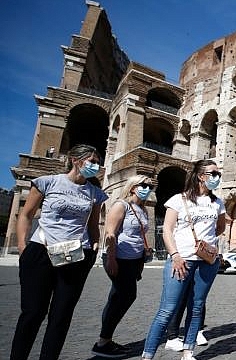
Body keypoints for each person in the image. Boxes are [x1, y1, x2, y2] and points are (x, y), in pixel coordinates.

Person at [11, 144, 108, 360]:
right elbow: (26, 215)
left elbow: (93, 225)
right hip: (40, 251)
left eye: (97, 162)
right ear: (75, 159)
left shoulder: (95, 193)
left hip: (75, 255)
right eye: (91, 161)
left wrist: (94, 246)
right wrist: (22, 247)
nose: (95, 165)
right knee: (33, 313)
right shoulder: (48, 182)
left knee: (61, 316)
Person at [141, 160, 226, 360]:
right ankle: (147, 355)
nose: (217, 177)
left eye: (218, 174)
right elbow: (167, 231)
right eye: (213, 173)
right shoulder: (178, 200)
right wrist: (175, 255)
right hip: (181, 260)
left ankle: (188, 352)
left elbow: (220, 228)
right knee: (167, 310)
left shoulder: (217, 203)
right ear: (200, 176)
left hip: (206, 262)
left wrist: (207, 243)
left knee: (196, 308)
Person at [92, 175, 155, 357]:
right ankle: (103, 342)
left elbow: (139, 236)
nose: (147, 188)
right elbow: (110, 234)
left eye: (150, 186)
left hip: (134, 260)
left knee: (119, 296)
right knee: (124, 295)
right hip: (118, 257)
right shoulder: (121, 205)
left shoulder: (142, 209)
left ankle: (106, 340)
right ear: (133, 187)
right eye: (144, 185)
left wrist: (141, 261)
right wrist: (111, 258)